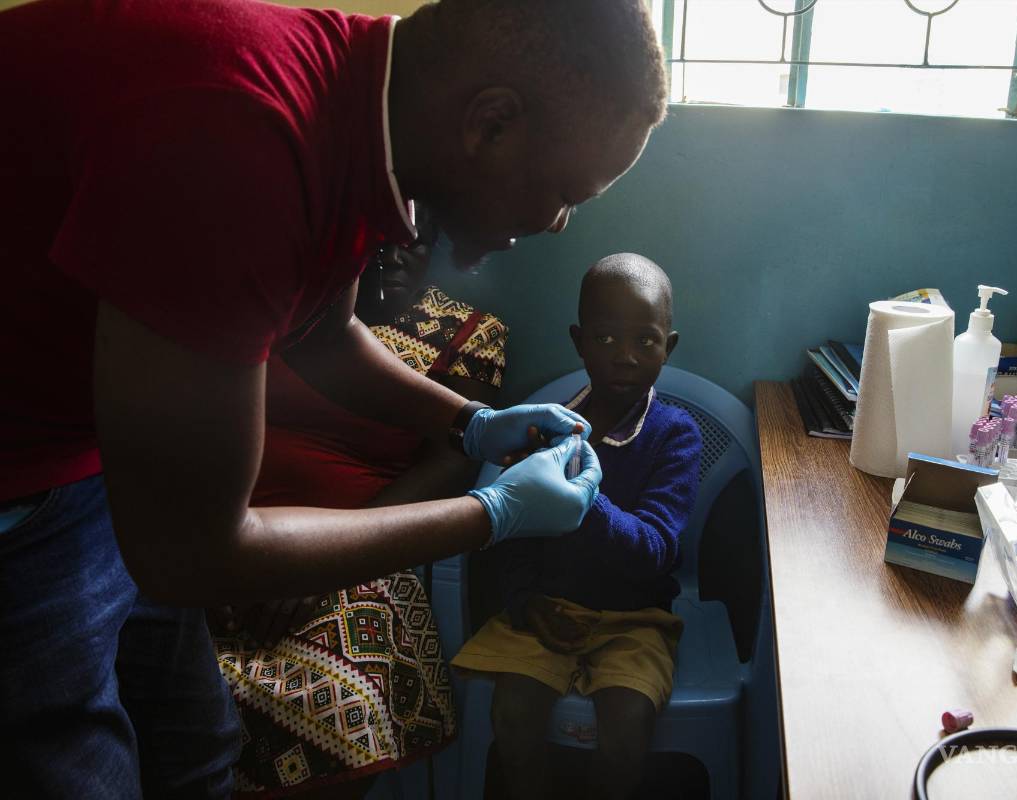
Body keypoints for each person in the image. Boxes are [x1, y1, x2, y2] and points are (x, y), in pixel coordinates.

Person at [0, 0, 667, 796]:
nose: (559, 224)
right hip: (20, 479)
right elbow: (191, 555)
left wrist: (472, 424)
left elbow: (321, 334)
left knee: (191, 741)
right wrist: (491, 516)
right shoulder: (239, 142)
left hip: (85, 450)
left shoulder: (357, 114)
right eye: (565, 192)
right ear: (491, 125)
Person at [215, 225, 508, 799]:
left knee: (329, 702)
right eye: (376, 240)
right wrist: (218, 548)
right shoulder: (288, 314)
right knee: (168, 684)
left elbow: (452, 463)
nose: (393, 254)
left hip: (362, 549)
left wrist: (328, 559)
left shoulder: (470, 332)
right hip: (229, 531)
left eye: (414, 242)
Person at [451, 254, 702, 800]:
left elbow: (656, 550)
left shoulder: (675, 435)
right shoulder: (549, 425)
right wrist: (523, 601)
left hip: (637, 618)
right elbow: (512, 534)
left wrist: (578, 503)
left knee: (627, 727)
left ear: (669, 346)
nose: (627, 357)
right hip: (549, 607)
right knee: (513, 716)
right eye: (606, 339)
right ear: (579, 341)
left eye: (646, 341)